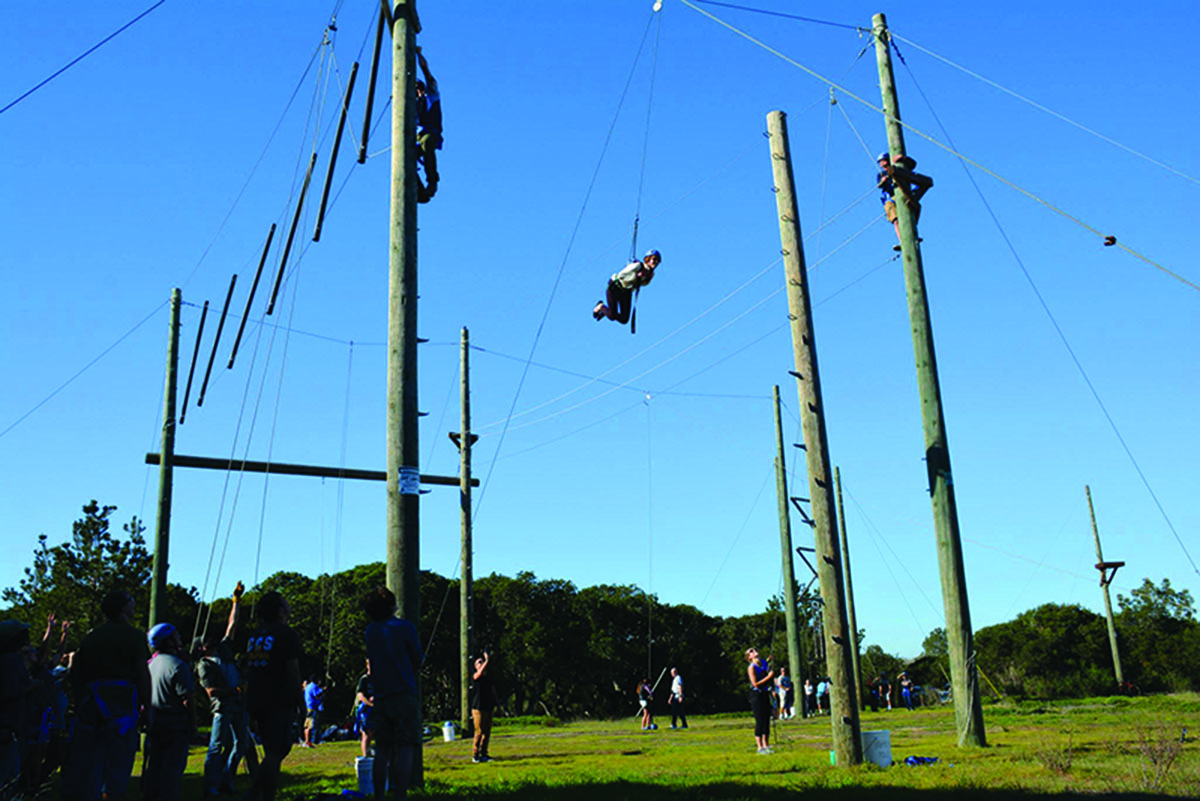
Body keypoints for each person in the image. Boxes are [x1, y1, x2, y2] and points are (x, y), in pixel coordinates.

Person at [61, 590, 151, 801]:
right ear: (122, 608)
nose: (134, 605)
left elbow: (77, 673)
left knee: (90, 759)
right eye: (130, 601)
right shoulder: (134, 635)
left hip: (90, 702)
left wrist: (78, 699)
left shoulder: (92, 637)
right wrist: (148, 706)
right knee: (118, 761)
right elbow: (142, 672)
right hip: (120, 701)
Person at [242, 590, 304, 801]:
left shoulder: (254, 636)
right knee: (277, 751)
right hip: (278, 698)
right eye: (285, 603)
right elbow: (292, 670)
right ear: (279, 611)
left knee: (271, 749)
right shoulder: (286, 634)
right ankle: (254, 792)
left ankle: (265, 796)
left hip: (256, 698)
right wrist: (300, 700)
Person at [362, 587, 423, 800]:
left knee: (383, 750)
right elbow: (418, 659)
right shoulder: (404, 627)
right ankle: (400, 796)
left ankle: (379, 796)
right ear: (391, 605)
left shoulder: (370, 631)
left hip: (380, 696)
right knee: (405, 748)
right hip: (403, 693)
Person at [197, 582, 255, 797]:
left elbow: (233, 623)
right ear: (202, 648)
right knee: (216, 746)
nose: (210, 640)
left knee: (241, 745)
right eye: (205, 641)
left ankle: (227, 780)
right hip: (223, 707)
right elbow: (211, 691)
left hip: (238, 705)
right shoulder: (205, 665)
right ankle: (210, 786)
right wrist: (235, 691)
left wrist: (236, 601)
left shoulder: (224, 648)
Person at [143, 623, 195, 801]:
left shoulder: (149, 665)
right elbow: (188, 699)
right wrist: (193, 724)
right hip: (175, 723)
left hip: (154, 722)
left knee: (154, 766)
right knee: (172, 769)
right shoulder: (178, 666)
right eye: (176, 635)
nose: (179, 638)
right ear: (169, 640)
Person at [0, 619, 32, 799]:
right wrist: (31, 687)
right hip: (9, 726)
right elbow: (10, 691)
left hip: (10, 727)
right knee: (7, 778)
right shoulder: (12, 660)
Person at [876, 152, 932, 250]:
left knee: (916, 208)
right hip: (891, 199)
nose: (882, 165)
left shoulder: (900, 168)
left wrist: (902, 158)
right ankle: (903, 240)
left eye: (884, 162)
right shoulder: (882, 174)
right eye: (881, 163)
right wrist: (883, 181)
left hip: (905, 194)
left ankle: (912, 233)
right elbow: (879, 185)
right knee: (896, 221)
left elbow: (912, 164)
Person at [593, 249, 661, 325]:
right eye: (654, 259)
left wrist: (643, 277)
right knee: (612, 316)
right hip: (615, 286)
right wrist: (635, 274)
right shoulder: (638, 266)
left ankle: (607, 311)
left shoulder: (650, 274)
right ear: (647, 259)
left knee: (624, 319)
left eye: (658, 260)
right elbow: (621, 274)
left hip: (626, 292)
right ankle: (601, 307)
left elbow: (643, 284)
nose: (656, 262)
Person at [414, 47, 442, 203]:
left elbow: (426, 71)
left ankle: (432, 182)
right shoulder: (412, 105)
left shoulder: (431, 94)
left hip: (431, 133)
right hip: (420, 136)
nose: (418, 91)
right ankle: (418, 189)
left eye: (419, 88)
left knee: (426, 143)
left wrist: (418, 54)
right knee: (408, 157)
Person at [745, 648, 774, 755]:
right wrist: (769, 677)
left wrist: (770, 661)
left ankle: (766, 745)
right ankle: (759, 747)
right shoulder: (751, 668)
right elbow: (755, 684)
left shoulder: (763, 662)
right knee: (760, 720)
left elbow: (766, 669)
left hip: (765, 693)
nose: (754, 651)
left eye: (754, 650)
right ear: (749, 657)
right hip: (756, 695)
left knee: (767, 719)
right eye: (751, 651)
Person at [469, 652, 494, 763]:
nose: (481, 663)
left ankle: (484, 753)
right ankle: (475, 754)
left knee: (487, 731)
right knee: (479, 731)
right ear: (476, 666)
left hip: (487, 706)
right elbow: (478, 674)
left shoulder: (488, 678)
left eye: (482, 661)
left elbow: (493, 691)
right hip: (477, 707)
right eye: (479, 662)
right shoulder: (475, 676)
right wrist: (487, 661)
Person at [354, 661, 375, 759]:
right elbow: (360, 695)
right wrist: (369, 703)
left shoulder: (379, 678)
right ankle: (365, 755)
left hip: (377, 708)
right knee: (366, 733)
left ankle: (371, 752)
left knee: (374, 732)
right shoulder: (364, 679)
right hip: (366, 710)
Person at [303, 677, 325, 747]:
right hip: (312, 707)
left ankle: (307, 740)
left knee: (306, 725)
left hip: (307, 706)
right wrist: (323, 691)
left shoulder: (308, 686)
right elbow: (317, 696)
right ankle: (312, 740)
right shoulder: (314, 686)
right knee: (312, 725)